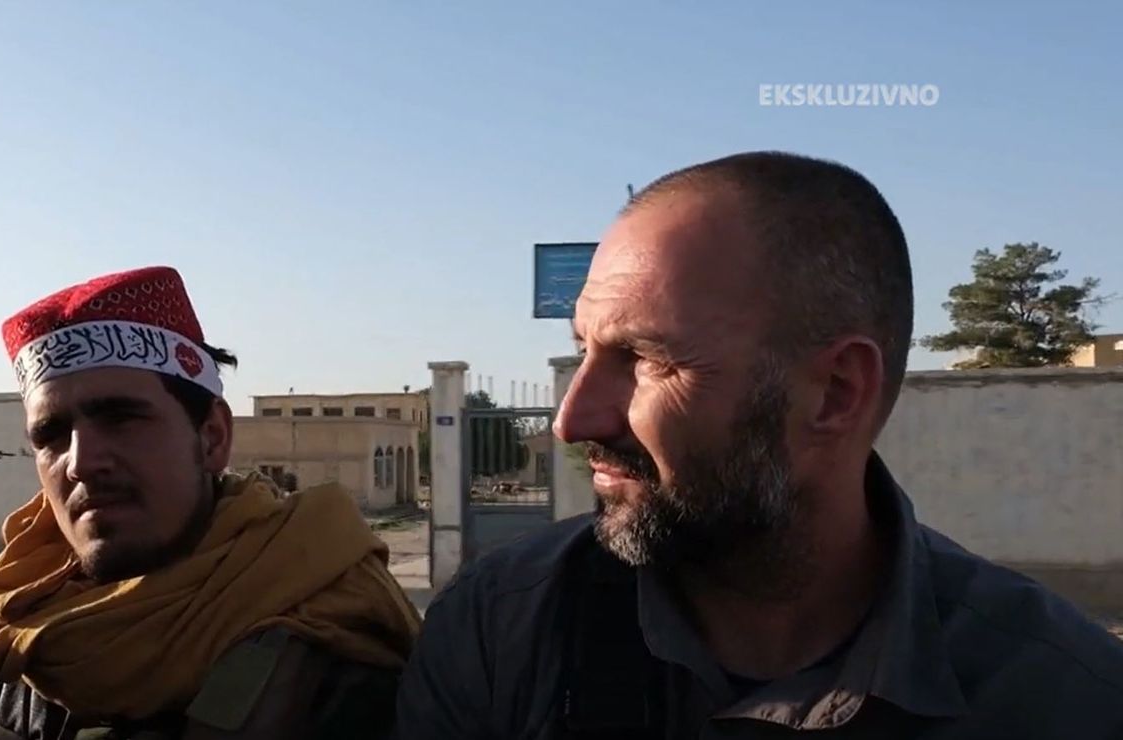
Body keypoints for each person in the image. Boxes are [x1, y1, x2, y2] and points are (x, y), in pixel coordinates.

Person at [392, 151, 1123, 738]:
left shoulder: (1062, 700)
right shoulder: (501, 632)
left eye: (645, 360)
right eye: (585, 350)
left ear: (835, 392)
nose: (572, 421)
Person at [0, 266, 421, 740]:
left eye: (122, 418)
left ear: (211, 438)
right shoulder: (10, 639)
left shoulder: (334, 651)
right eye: (51, 435)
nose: (80, 461)